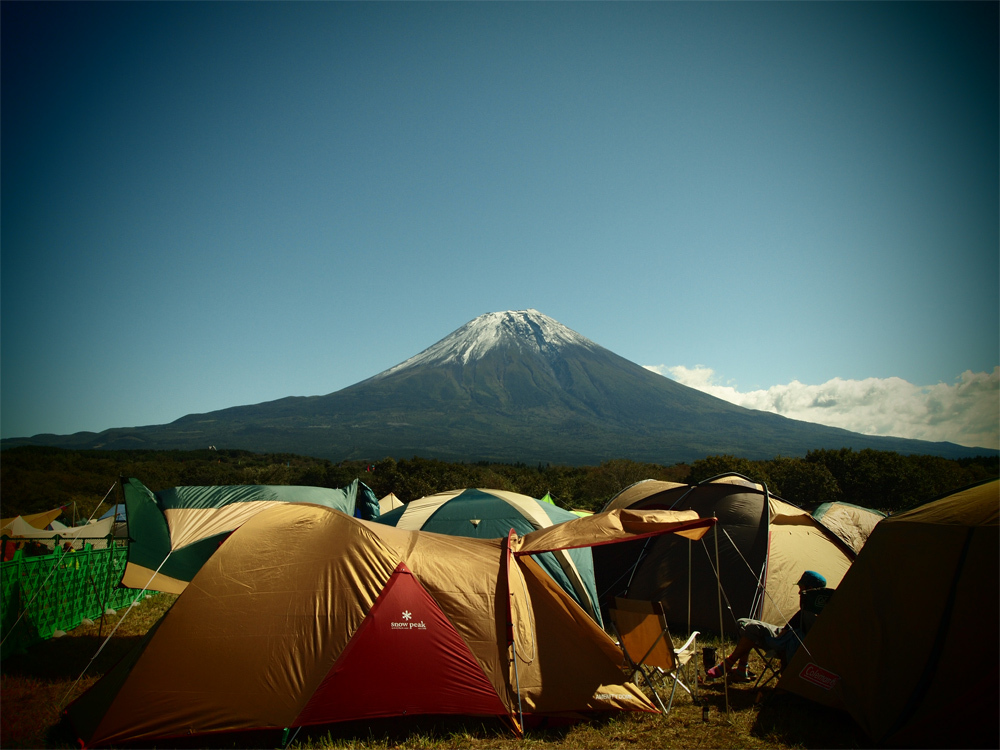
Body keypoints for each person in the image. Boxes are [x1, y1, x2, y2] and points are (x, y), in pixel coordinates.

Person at [704, 570, 828, 682]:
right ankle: (742, 669)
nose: (799, 592)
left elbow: (782, 635)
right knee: (742, 622)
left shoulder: (812, 612)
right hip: (784, 632)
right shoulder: (820, 608)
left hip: (786, 639)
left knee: (751, 629)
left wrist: (772, 637)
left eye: (801, 588)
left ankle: (730, 662)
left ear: (809, 588)